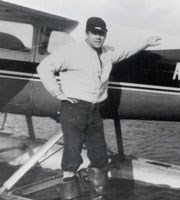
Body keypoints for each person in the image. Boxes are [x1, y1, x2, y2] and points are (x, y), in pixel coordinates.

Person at [37, 17, 161, 200]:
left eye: (101, 33)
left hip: (95, 111)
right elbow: (44, 67)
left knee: (99, 157)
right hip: (74, 109)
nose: (98, 37)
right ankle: (70, 195)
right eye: (94, 33)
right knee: (72, 155)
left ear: (105, 35)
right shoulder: (72, 51)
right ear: (87, 33)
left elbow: (126, 51)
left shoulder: (107, 53)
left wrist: (145, 42)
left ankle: (98, 195)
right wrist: (58, 93)